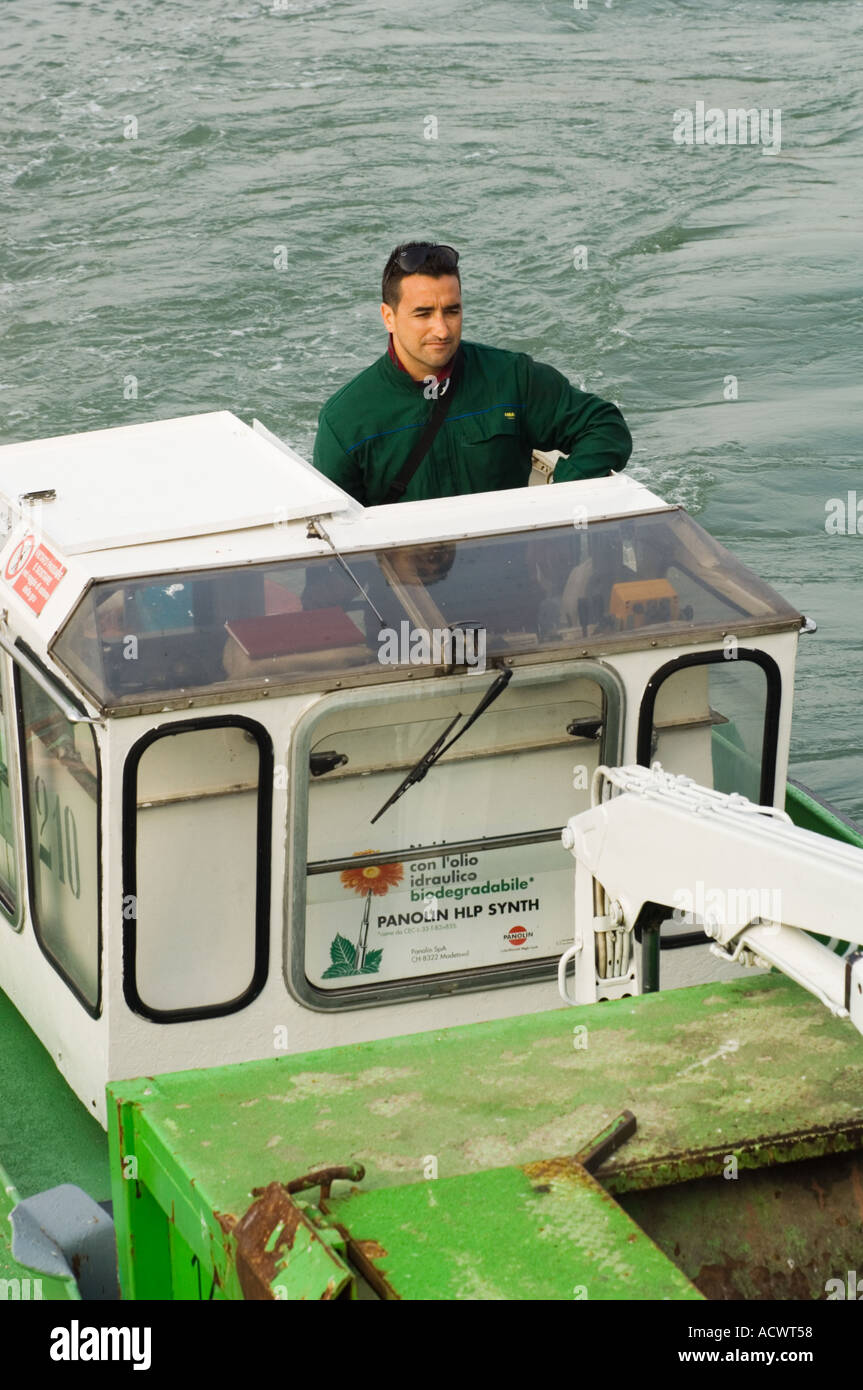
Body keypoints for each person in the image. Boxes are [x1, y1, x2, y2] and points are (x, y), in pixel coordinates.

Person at [311, 241, 632, 506]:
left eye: (452, 310)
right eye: (423, 313)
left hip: (513, 567)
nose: (441, 328)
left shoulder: (512, 377)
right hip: (408, 579)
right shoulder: (344, 423)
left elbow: (604, 425)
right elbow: (334, 537)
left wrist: (562, 495)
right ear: (388, 317)